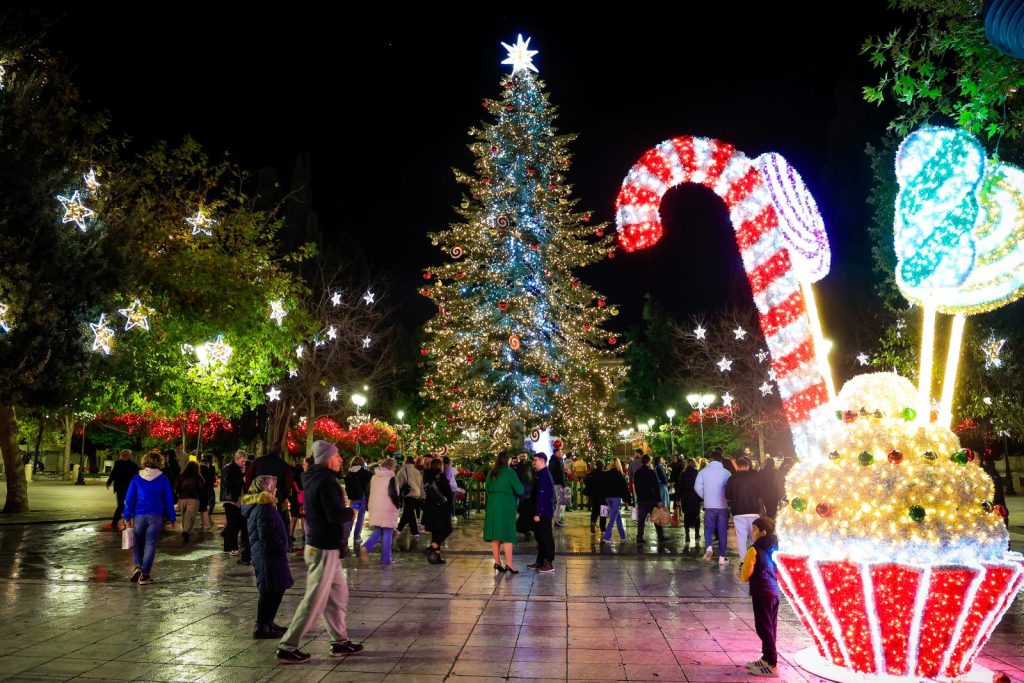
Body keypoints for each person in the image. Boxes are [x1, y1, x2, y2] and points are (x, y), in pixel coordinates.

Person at [277, 440, 362, 664]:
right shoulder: (327, 482)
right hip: (323, 547)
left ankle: (340, 642)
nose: (341, 459)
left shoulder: (314, 478)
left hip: (324, 546)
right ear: (326, 458)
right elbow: (334, 515)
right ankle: (288, 645)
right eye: (337, 456)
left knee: (337, 597)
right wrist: (350, 513)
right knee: (314, 601)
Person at [242, 475, 293, 639]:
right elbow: (267, 535)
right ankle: (262, 626)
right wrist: (280, 546)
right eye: (273, 487)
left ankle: (268, 622)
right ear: (267, 489)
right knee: (269, 590)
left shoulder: (264, 506)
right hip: (269, 556)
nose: (276, 489)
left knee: (276, 588)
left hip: (270, 555)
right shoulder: (264, 508)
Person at [121, 451, 177, 585]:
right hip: (156, 515)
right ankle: (145, 575)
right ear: (159, 462)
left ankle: (138, 566)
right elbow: (168, 500)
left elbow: (129, 499)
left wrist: (127, 516)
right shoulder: (163, 479)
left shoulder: (136, 478)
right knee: (150, 544)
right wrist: (172, 517)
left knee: (137, 542)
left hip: (139, 514)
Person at [740, 517, 781, 677]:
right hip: (773, 591)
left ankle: (772, 664)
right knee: (771, 627)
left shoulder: (754, 549)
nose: (753, 532)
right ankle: (766, 658)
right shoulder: (775, 547)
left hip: (761, 592)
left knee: (763, 628)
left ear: (763, 532)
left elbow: (745, 575)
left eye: (755, 529)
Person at [483, 452, 525, 573]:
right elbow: (520, 489)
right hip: (505, 506)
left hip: (492, 505)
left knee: (495, 535)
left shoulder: (492, 472)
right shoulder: (509, 472)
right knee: (507, 534)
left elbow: (488, 489)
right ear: (507, 460)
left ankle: (497, 562)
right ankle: (509, 564)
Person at [246, 444, 294, 547]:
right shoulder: (284, 465)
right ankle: (286, 544)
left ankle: (252, 547)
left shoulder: (258, 461)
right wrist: (283, 494)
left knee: (255, 522)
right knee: (282, 522)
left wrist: (251, 491)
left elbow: (248, 476)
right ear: (280, 452)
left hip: (259, 497)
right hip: (276, 498)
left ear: (268, 449)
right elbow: (289, 483)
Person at [362, 457, 401, 564]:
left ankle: (367, 547)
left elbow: (368, 491)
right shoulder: (391, 478)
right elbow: (393, 494)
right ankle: (385, 558)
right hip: (387, 508)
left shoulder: (374, 477)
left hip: (375, 506)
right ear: (392, 467)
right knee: (388, 531)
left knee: (379, 530)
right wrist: (398, 505)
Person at [695, 450, 731, 564]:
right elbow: (729, 489)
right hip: (722, 505)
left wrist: (705, 496)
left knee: (708, 528)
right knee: (722, 531)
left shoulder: (703, 472)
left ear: (710, 458)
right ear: (721, 459)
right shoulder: (726, 473)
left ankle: (709, 547)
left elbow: (697, 487)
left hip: (709, 505)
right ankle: (721, 558)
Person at [726, 457, 765, 555]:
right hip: (754, 511)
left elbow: (727, 495)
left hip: (738, 512)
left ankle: (743, 560)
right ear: (748, 466)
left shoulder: (732, 478)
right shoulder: (756, 477)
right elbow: (761, 494)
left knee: (741, 538)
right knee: (754, 537)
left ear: (738, 467)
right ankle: (755, 558)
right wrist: (761, 509)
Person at [422, 458, 454, 564]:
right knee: (447, 529)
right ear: (440, 466)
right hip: (441, 509)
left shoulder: (426, 476)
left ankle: (436, 557)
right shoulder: (441, 476)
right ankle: (432, 548)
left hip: (430, 508)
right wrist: (449, 506)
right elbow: (448, 493)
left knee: (436, 533)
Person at [528, 452, 556, 572]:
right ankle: (540, 560)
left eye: (536, 460)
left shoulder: (544, 475)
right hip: (542, 511)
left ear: (542, 461)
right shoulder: (540, 474)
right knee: (540, 536)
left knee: (546, 537)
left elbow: (543, 495)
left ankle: (549, 562)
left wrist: (538, 513)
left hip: (544, 512)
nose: (534, 462)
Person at [633, 455, 665, 547]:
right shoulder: (651, 472)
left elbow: (636, 486)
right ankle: (660, 535)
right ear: (648, 462)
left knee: (641, 520)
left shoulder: (637, 473)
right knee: (656, 518)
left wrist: (638, 498)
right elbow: (656, 486)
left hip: (642, 499)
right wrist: (659, 499)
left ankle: (639, 537)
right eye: (650, 461)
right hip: (651, 499)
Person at [220, 450, 247, 556]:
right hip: (231, 500)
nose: (244, 463)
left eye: (245, 461)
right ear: (236, 459)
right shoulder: (228, 469)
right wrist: (242, 479)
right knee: (233, 524)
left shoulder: (238, 469)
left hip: (237, 500)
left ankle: (229, 546)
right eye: (242, 461)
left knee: (236, 524)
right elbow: (227, 483)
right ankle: (232, 547)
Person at [106, 449, 139, 530]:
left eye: (126, 454)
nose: (125, 455)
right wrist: (109, 481)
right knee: (120, 505)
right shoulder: (118, 463)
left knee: (129, 505)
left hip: (129, 488)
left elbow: (136, 478)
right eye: (123, 454)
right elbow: (113, 473)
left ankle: (128, 520)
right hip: (120, 487)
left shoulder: (133, 465)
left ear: (129, 455)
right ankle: (116, 522)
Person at [344, 456, 372, 550]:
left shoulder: (349, 472)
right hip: (362, 499)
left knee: (352, 516)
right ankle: (357, 537)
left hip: (353, 499)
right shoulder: (365, 473)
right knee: (360, 517)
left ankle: (346, 535)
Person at [601, 458, 631, 545]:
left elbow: (603, 486)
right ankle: (607, 537)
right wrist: (627, 499)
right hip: (616, 498)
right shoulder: (619, 475)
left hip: (607, 497)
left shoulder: (606, 474)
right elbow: (624, 488)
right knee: (613, 518)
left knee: (617, 516)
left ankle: (623, 536)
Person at [395, 455, 424, 539]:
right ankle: (402, 530)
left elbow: (398, 484)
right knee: (408, 512)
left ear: (406, 461)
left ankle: (413, 532)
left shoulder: (403, 470)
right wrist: (422, 495)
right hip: (417, 494)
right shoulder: (417, 471)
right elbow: (421, 484)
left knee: (409, 512)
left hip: (408, 494)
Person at [676, 458, 702, 547]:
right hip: (695, 498)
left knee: (687, 516)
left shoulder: (683, 473)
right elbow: (701, 486)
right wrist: (702, 498)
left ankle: (687, 535)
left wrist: (677, 498)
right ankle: (696, 534)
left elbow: (680, 487)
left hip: (685, 498)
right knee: (696, 515)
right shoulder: (697, 473)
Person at [176, 460, 205, 543]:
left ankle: (185, 530)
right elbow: (202, 488)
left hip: (182, 498)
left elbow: (176, 486)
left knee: (184, 516)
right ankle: (186, 531)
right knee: (190, 516)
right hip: (193, 498)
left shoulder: (181, 476)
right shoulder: (198, 476)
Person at [584, 461, 606, 534]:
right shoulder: (605, 474)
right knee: (603, 512)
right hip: (603, 496)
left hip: (594, 495)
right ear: (603, 466)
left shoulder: (591, 474)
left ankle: (593, 522)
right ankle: (603, 529)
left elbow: (586, 481)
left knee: (595, 510)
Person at [548, 448, 567, 527]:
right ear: (556, 453)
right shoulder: (556, 461)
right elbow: (560, 474)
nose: (561, 453)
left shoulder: (552, 460)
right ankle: (557, 520)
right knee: (560, 502)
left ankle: (558, 518)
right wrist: (563, 484)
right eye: (560, 452)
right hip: (558, 483)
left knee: (559, 501)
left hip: (555, 483)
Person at [198, 456, 217, 530]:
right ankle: (206, 521)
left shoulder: (197, 469)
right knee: (209, 504)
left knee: (203, 506)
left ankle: (203, 521)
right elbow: (212, 480)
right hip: (208, 489)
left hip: (199, 491)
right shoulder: (209, 468)